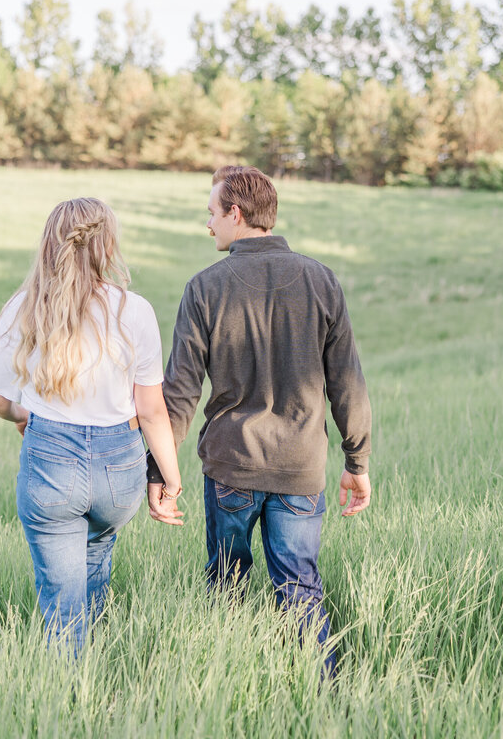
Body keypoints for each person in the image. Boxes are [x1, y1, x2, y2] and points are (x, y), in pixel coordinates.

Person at [147, 166, 372, 674]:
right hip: (301, 468)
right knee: (300, 590)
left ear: (236, 212)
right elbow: (348, 384)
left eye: (211, 213)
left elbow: (179, 391)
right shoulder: (322, 281)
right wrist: (356, 460)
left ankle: (223, 688)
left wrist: (160, 471)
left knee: (225, 587)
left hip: (232, 467)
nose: (207, 224)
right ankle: (326, 698)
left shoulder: (204, 287)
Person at [0, 197, 184, 651]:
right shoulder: (134, 310)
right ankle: (95, 670)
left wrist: (23, 415)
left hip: (51, 463)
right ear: (107, 246)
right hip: (120, 470)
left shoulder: (22, 308)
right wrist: (170, 482)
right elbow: (153, 410)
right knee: (96, 558)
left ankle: (70, 698)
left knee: (61, 602)